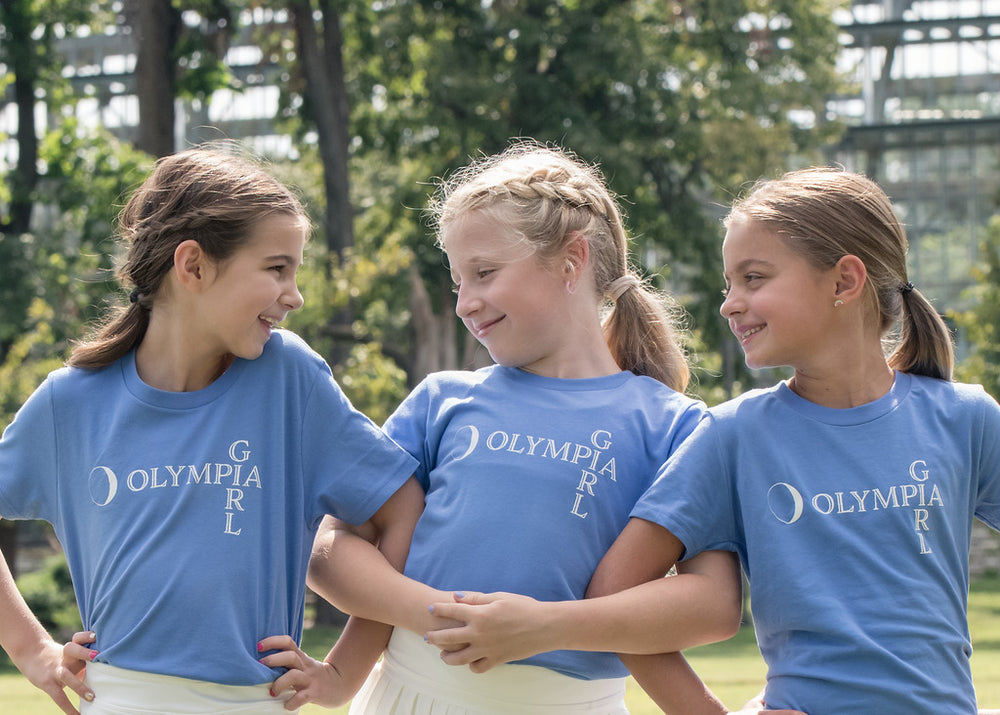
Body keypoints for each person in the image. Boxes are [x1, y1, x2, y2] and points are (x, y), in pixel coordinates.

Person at [425, 167, 1000, 714]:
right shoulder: (733, 436)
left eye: (754, 278)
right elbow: (615, 590)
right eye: (730, 283)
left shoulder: (965, 418)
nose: (729, 303)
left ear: (844, 281)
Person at [301, 140, 743, 714]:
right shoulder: (441, 401)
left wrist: (547, 627)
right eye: (459, 280)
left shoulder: (675, 426)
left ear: (571, 262)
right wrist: (437, 613)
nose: (465, 302)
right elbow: (333, 546)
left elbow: (713, 603)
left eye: (484, 273)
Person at [0, 147, 422, 715]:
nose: (294, 295)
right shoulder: (69, 401)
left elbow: (401, 511)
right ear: (193, 266)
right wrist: (31, 650)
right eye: (277, 268)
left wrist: (344, 673)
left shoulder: (289, 378)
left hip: (258, 701)